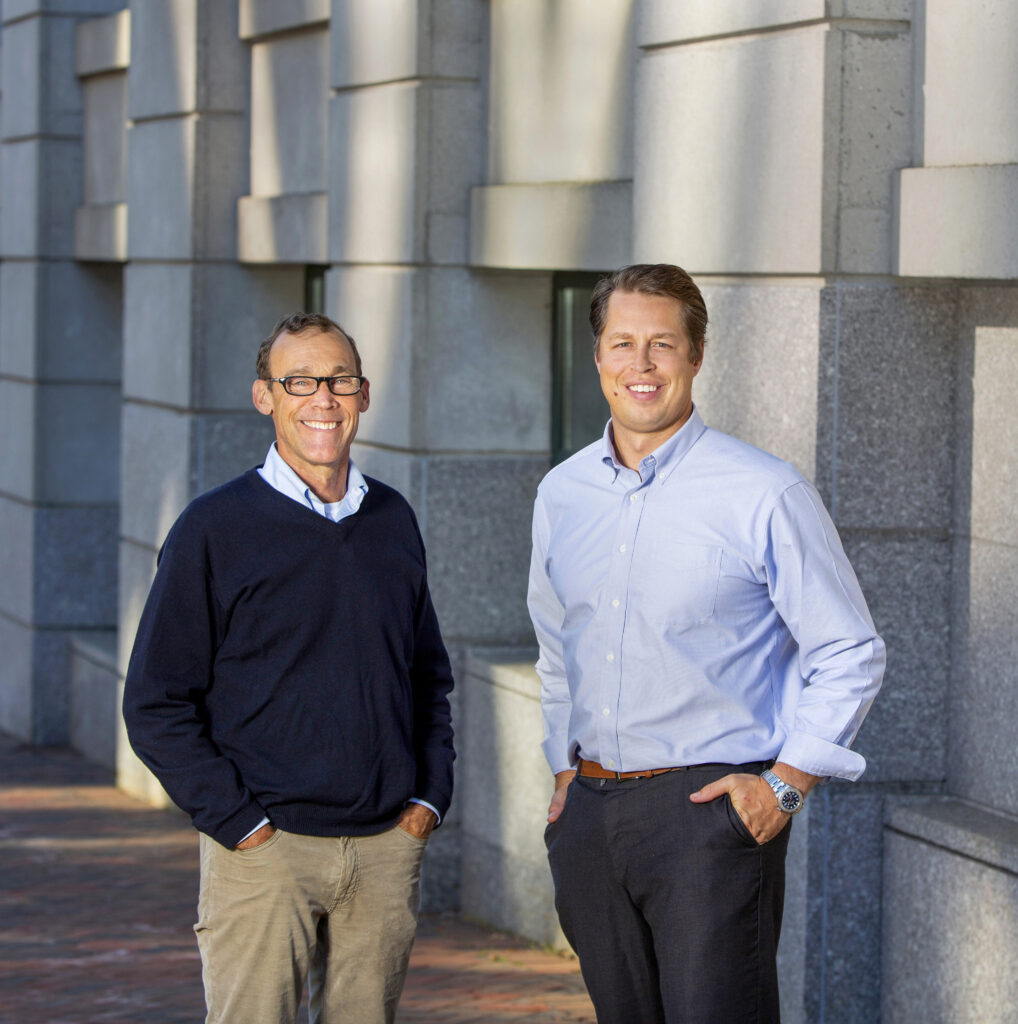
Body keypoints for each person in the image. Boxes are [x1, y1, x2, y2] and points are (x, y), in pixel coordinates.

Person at [527, 264, 884, 1023]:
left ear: (696, 356)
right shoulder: (563, 493)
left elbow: (849, 650)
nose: (641, 365)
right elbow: (558, 647)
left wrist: (785, 786)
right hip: (589, 814)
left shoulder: (763, 491)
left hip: (707, 815)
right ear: (597, 358)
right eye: (622, 344)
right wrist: (563, 771)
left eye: (663, 344)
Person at [123, 311, 455, 1024]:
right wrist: (240, 825)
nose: (322, 399)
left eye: (339, 380)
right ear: (264, 396)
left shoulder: (393, 519)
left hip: (384, 848)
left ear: (364, 394)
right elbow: (155, 702)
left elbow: (427, 676)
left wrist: (427, 800)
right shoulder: (213, 529)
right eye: (299, 381)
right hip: (264, 853)